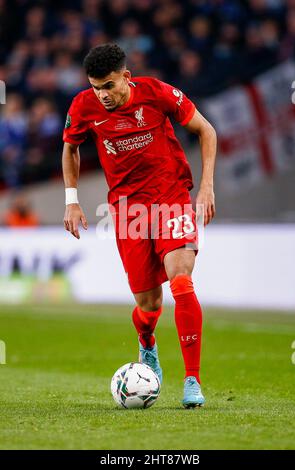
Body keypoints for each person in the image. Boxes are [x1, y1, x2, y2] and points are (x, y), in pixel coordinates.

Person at [62, 43, 216, 408]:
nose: (103, 95)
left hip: (171, 197)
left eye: (110, 86)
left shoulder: (157, 93)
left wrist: (207, 187)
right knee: (148, 305)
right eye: (97, 87)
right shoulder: (83, 106)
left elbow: (205, 130)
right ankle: (147, 343)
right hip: (128, 211)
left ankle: (192, 380)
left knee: (181, 279)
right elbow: (70, 148)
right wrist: (71, 200)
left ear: (126, 77)